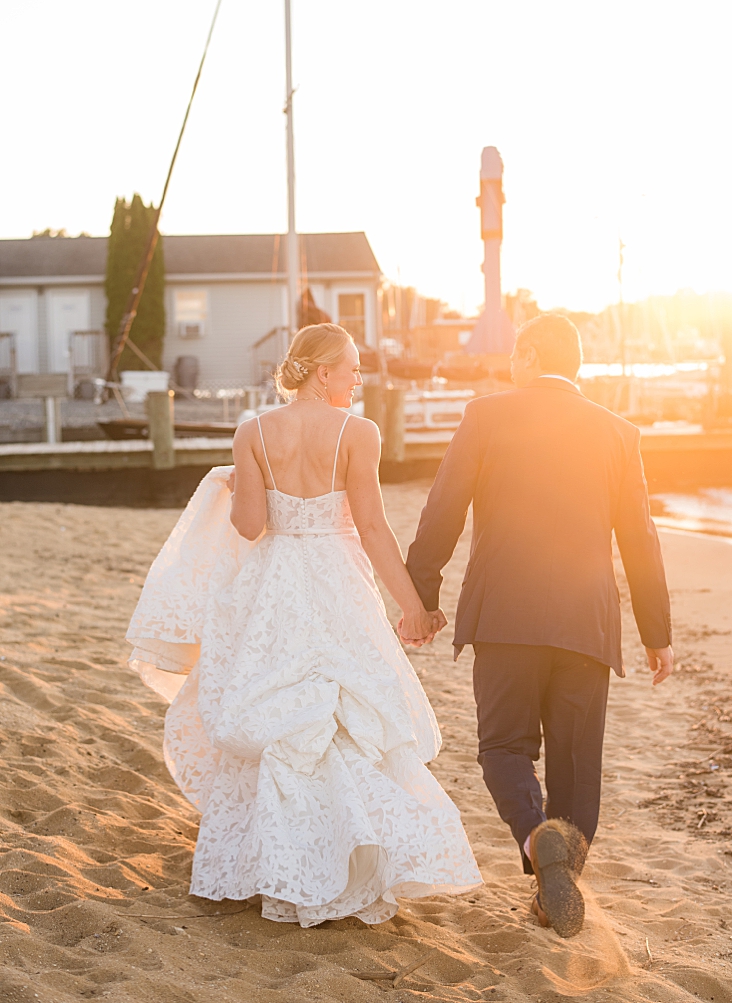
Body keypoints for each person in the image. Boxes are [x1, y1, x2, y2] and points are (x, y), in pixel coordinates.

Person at [125, 322, 482, 926]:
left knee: (279, 719)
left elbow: (249, 526)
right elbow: (372, 529)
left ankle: (275, 867)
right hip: (337, 581)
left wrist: (236, 485)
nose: (357, 378)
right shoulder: (357, 433)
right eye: (351, 369)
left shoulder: (252, 432)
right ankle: (352, 861)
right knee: (348, 720)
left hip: (274, 583)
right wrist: (411, 605)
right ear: (323, 373)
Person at [404, 313, 674, 938]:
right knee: (577, 765)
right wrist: (655, 631)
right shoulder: (617, 432)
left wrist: (424, 595)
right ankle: (560, 885)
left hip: (504, 614)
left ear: (527, 354)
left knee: (504, 748)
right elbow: (640, 540)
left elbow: (442, 508)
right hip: (586, 620)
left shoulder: (485, 416)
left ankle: (534, 840)